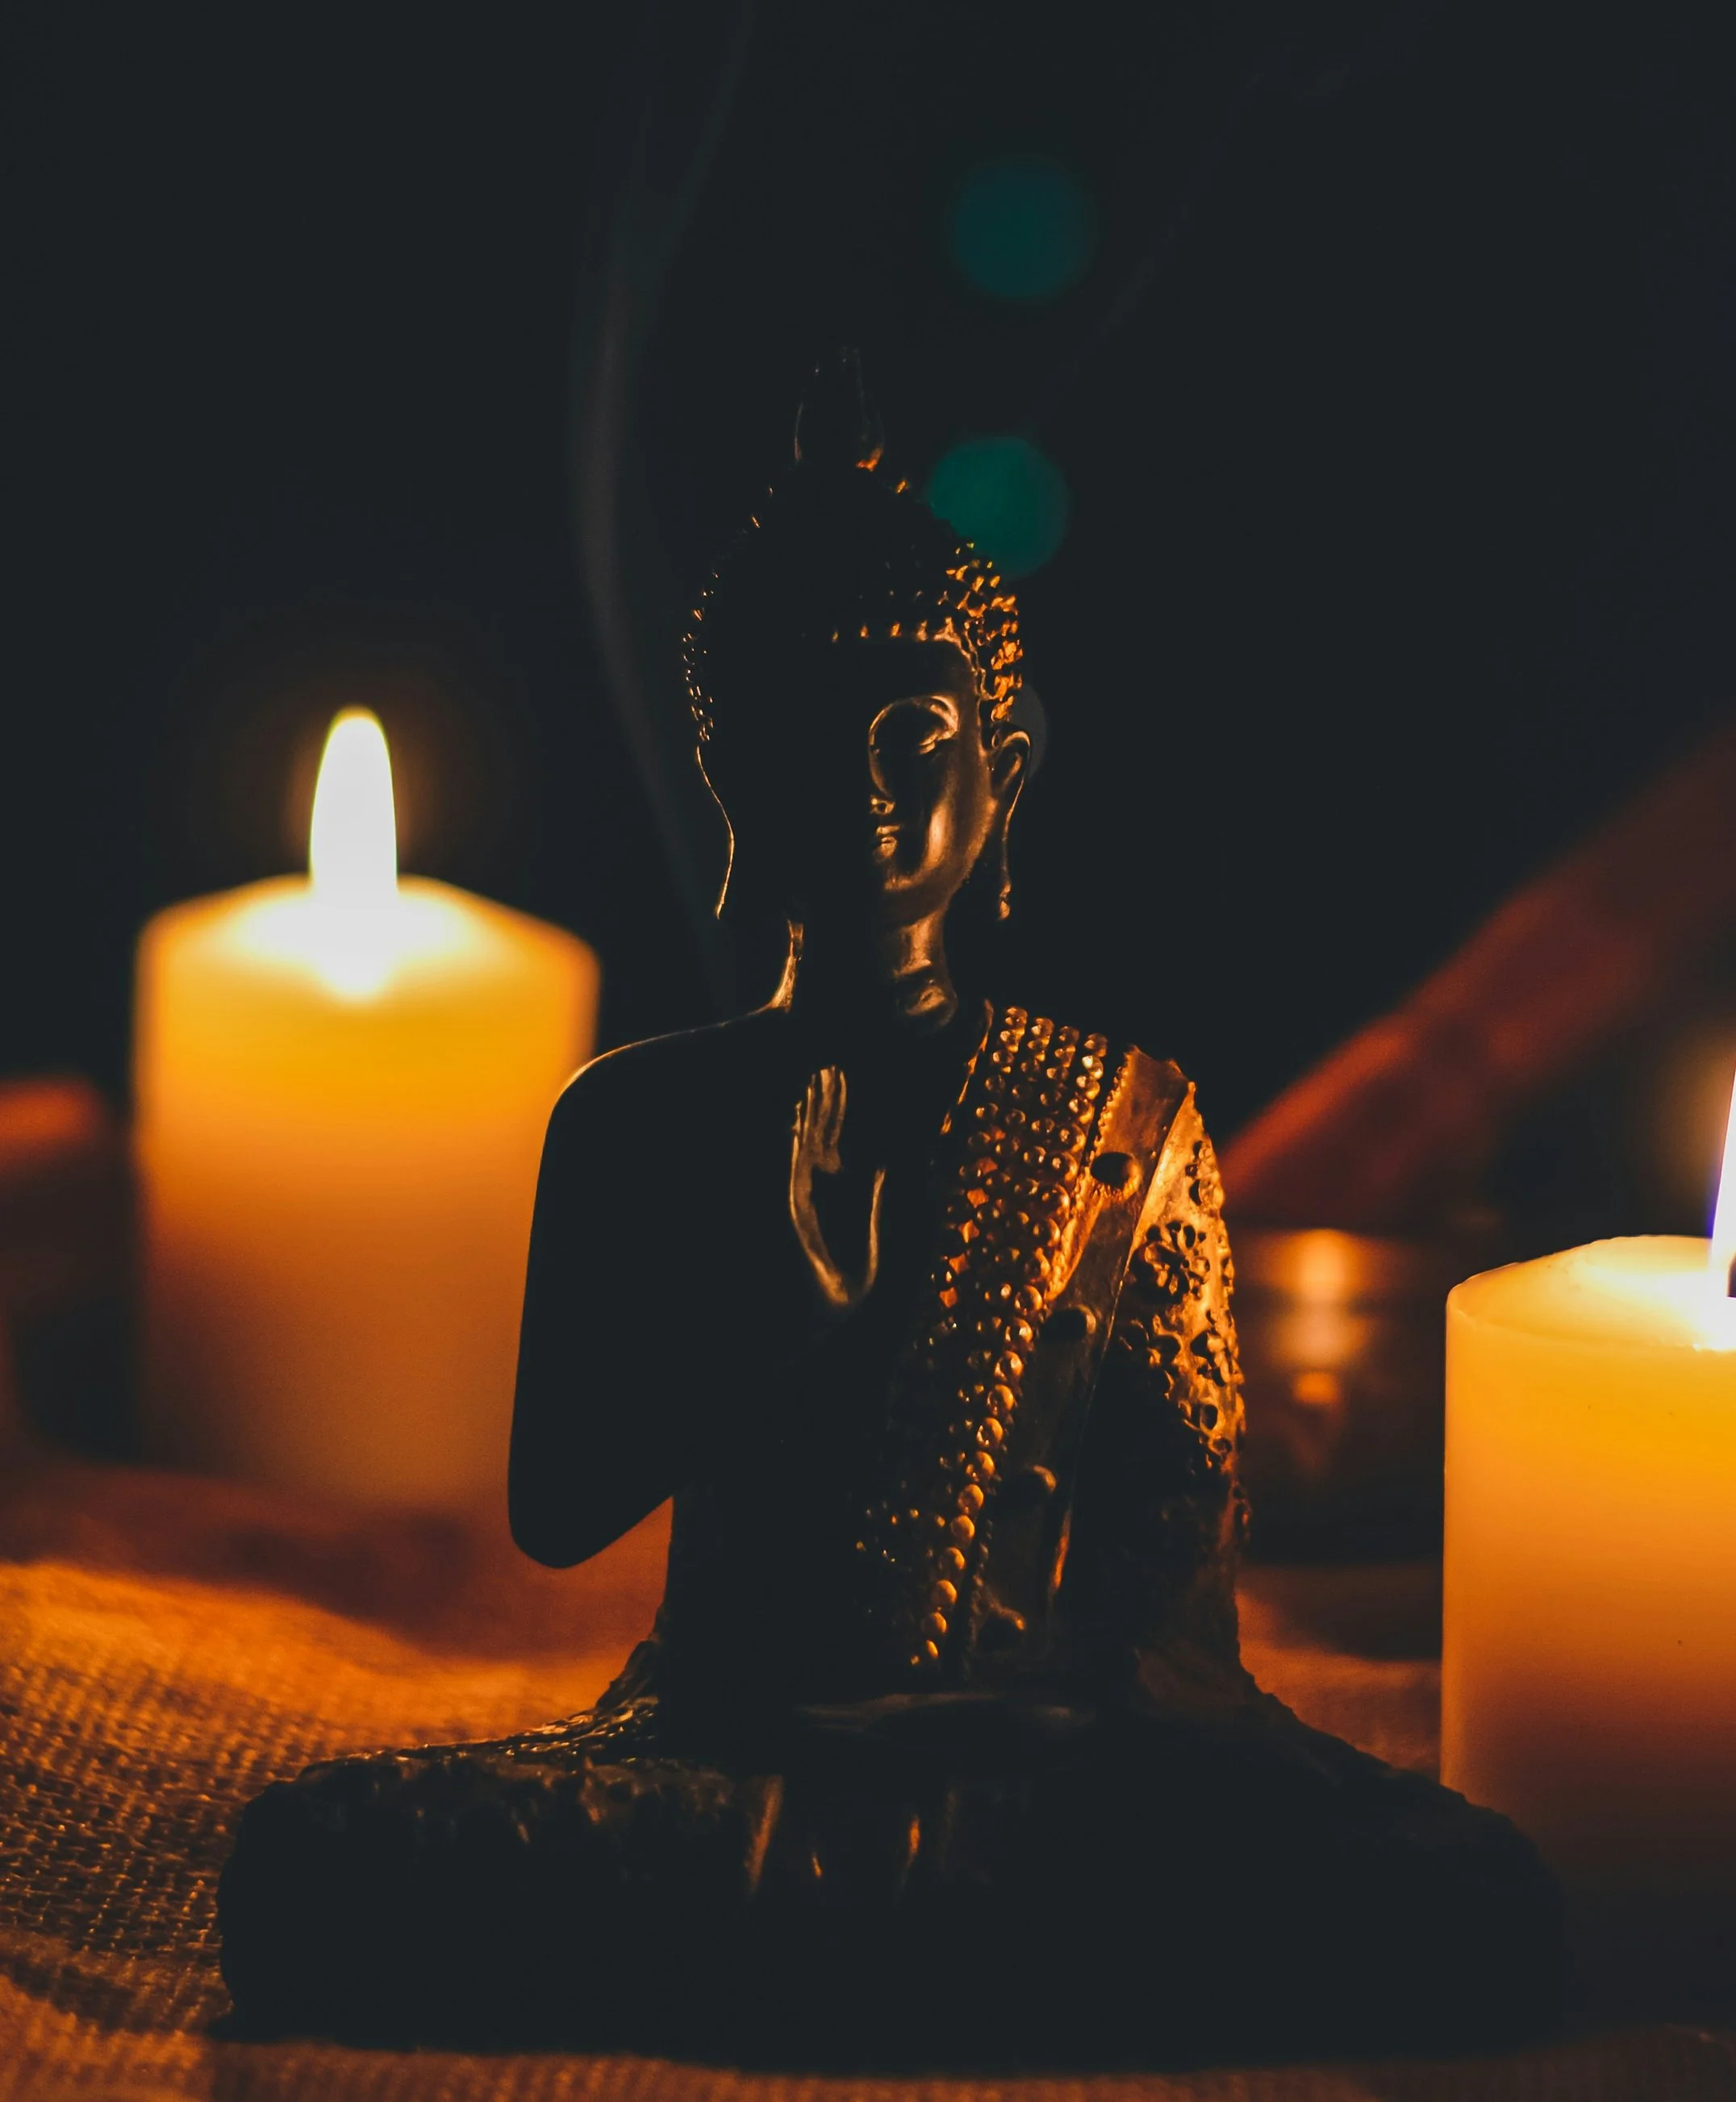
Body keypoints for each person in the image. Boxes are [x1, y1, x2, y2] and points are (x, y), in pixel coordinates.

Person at [219, 361, 1559, 2062]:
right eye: (798, 737)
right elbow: (557, 1514)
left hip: (1048, 1773)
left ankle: (874, 1949)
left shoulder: (1124, 1118)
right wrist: (778, 1330)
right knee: (314, 1864)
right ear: (727, 778)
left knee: (1459, 1892)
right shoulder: (640, 1113)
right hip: (722, 1752)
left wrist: (1063, 1728)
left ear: (1003, 765)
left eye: (912, 736)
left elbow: (1173, 1581)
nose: (861, 783)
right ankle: (986, 1970)